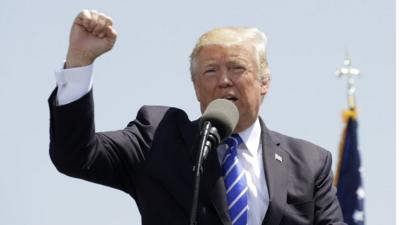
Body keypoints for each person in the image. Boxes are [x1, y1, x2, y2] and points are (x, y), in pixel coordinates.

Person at [48, 9, 346, 225]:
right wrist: (79, 62)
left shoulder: (309, 163)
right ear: (196, 87)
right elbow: (75, 156)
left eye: (237, 68)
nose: (224, 80)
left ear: (264, 81)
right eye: (210, 71)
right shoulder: (158, 138)